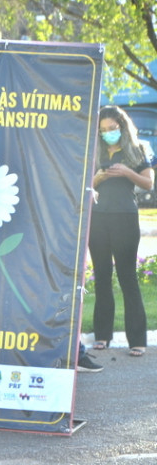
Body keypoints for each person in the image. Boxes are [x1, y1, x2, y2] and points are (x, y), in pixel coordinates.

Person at [89, 105, 154, 357]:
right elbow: (84, 184)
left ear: (122, 127)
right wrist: (97, 179)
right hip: (98, 219)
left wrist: (127, 171)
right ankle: (102, 336)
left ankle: (137, 340)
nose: (108, 134)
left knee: (128, 278)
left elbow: (149, 182)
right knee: (101, 277)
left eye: (112, 129)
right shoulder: (94, 150)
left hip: (125, 218)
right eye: (103, 130)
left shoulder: (138, 150)